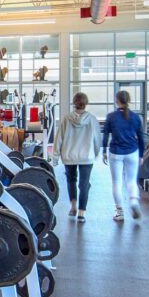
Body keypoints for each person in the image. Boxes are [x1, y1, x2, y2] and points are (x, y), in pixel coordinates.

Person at [100, 90, 147, 221]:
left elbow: (105, 136)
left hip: (115, 152)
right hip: (132, 151)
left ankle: (119, 212)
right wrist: (141, 155)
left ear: (117, 100)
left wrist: (104, 151)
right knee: (132, 181)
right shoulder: (136, 117)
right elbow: (141, 138)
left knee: (117, 182)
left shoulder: (111, 117)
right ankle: (133, 202)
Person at [56, 92, 99, 222]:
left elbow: (59, 138)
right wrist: (96, 153)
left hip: (69, 155)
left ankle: (73, 206)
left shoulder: (66, 119)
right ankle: (81, 213)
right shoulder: (91, 119)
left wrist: (55, 155)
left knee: (71, 180)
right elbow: (97, 138)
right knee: (84, 183)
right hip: (87, 156)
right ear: (86, 103)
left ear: (74, 103)